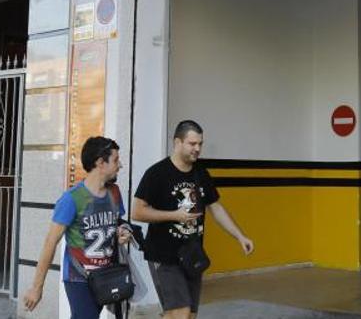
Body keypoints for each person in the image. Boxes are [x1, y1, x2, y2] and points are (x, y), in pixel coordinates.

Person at [133, 120, 255, 319]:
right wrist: (174, 215)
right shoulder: (157, 173)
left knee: (189, 315)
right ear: (177, 142)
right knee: (180, 312)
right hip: (164, 256)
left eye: (200, 144)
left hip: (191, 254)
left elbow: (215, 207)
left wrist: (240, 237)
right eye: (192, 144)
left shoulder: (200, 172)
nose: (197, 149)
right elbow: (137, 212)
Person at [22, 136, 132, 318]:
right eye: (115, 160)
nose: (120, 165)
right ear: (100, 163)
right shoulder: (71, 199)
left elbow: (118, 223)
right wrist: (36, 288)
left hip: (106, 275)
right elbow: (50, 242)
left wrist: (122, 232)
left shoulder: (114, 192)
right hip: (78, 278)